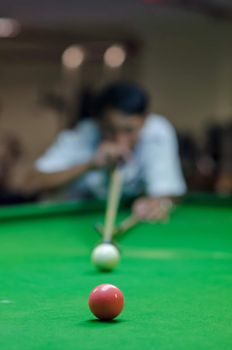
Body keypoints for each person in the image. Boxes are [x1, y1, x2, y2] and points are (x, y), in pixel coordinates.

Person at [11, 82, 186, 220]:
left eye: (129, 130)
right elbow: (29, 184)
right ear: (98, 121)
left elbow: (170, 193)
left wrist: (157, 203)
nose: (120, 140)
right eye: (110, 129)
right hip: (65, 216)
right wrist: (90, 164)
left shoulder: (157, 132)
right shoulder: (82, 135)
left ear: (145, 121)